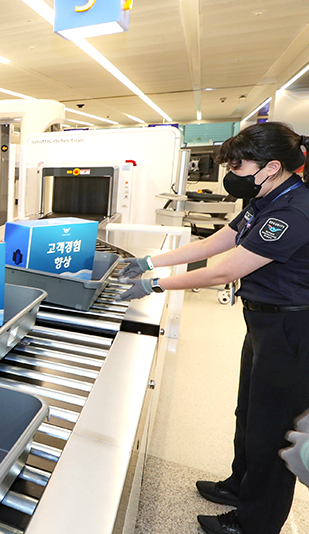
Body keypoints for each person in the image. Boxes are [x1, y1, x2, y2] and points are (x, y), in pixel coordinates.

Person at [116, 122, 309, 534]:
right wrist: (152, 261)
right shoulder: (266, 197)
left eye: (239, 166)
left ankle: (255, 523)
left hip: (292, 332)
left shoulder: (293, 211)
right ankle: (241, 486)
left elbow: (224, 270)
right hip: (262, 321)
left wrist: (155, 285)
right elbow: (220, 241)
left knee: (274, 431)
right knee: (249, 415)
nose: (232, 175)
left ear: (271, 166)